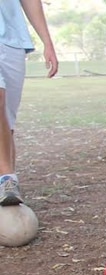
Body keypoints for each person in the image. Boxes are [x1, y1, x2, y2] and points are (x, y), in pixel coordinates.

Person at [0, 0, 58, 205]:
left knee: (7, 122)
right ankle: (7, 178)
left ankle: (6, 187)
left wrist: (47, 42)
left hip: (10, 38)